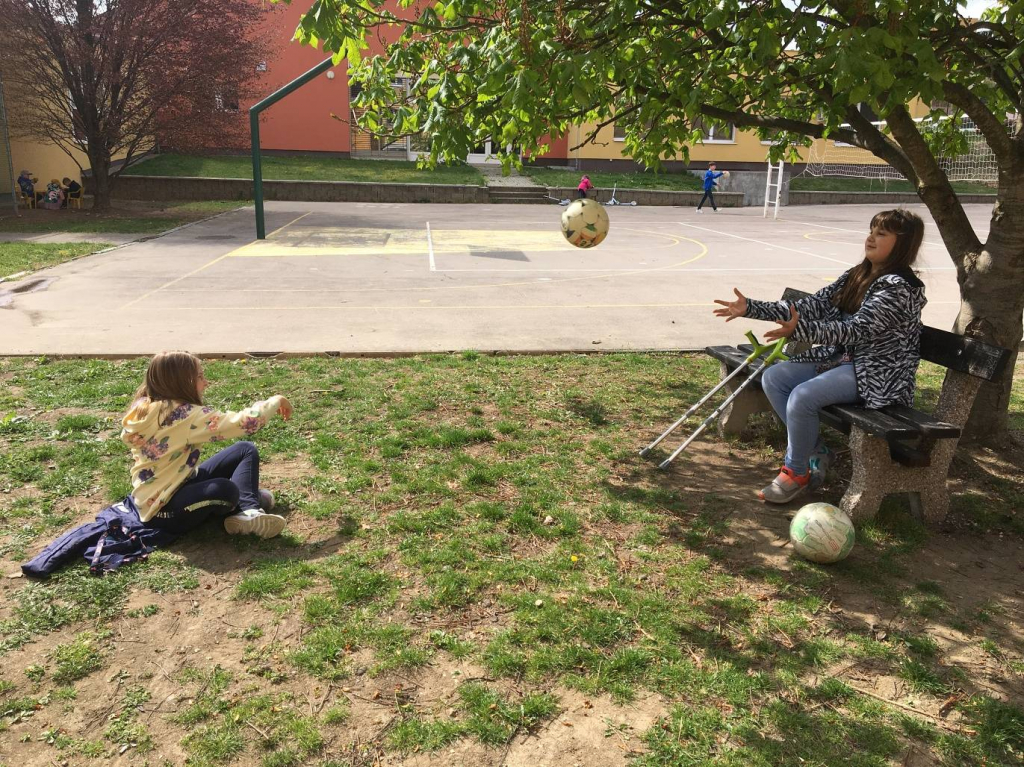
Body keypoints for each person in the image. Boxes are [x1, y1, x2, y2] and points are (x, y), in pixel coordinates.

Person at [712, 209, 927, 503]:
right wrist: (751, 307)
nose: (871, 238)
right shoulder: (857, 275)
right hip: (843, 361)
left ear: (903, 244)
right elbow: (810, 306)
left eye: (881, 233)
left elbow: (857, 330)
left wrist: (801, 330)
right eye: (871, 230)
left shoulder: (900, 288)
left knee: (803, 396)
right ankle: (816, 450)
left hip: (878, 373)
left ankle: (796, 472)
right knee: (775, 377)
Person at [121, 351, 293, 537]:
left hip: (164, 490)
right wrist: (276, 401)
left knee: (245, 450)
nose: (206, 382)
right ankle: (245, 507)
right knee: (225, 490)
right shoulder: (185, 415)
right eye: (200, 377)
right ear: (182, 382)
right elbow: (244, 423)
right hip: (163, 511)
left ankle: (249, 510)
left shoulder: (144, 408)